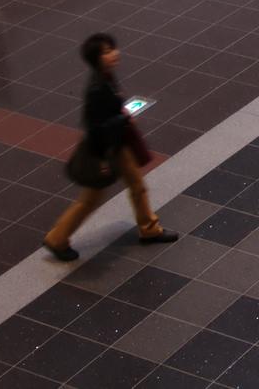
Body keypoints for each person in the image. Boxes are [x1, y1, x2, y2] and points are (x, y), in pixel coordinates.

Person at [43, 34, 179, 261]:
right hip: (104, 150)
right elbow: (94, 127)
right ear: (96, 59)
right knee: (90, 199)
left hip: (116, 144)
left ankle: (149, 228)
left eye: (113, 49)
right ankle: (57, 238)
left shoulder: (105, 77)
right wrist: (122, 120)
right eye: (106, 52)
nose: (114, 53)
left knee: (137, 185)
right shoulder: (97, 88)